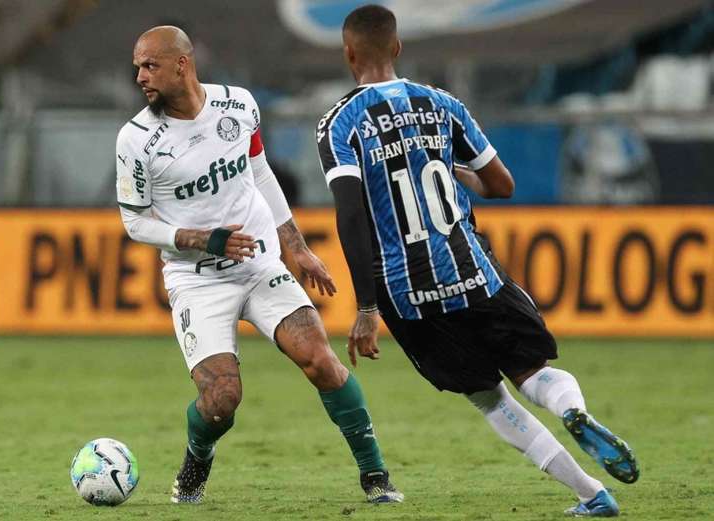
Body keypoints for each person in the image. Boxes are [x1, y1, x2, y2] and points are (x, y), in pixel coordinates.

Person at [316, 5, 638, 517]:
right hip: (472, 271)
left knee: (489, 399)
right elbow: (501, 185)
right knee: (533, 371)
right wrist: (456, 172)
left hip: (408, 295)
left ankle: (591, 494)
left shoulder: (338, 124)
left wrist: (366, 307)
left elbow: (352, 216)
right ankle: (573, 411)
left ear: (349, 53)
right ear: (398, 48)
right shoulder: (444, 105)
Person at [116, 25, 403, 504]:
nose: (140, 76)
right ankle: (196, 458)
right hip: (196, 279)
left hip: (257, 263)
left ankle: (376, 477)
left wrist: (294, 245)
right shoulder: (137, 139)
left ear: (182, 64)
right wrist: (202, 239)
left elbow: (259, 171)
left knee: (321, 361)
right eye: (138, 67)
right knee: (222, 400)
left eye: (150, 65)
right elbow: (135, 222)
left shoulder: (238, 105)